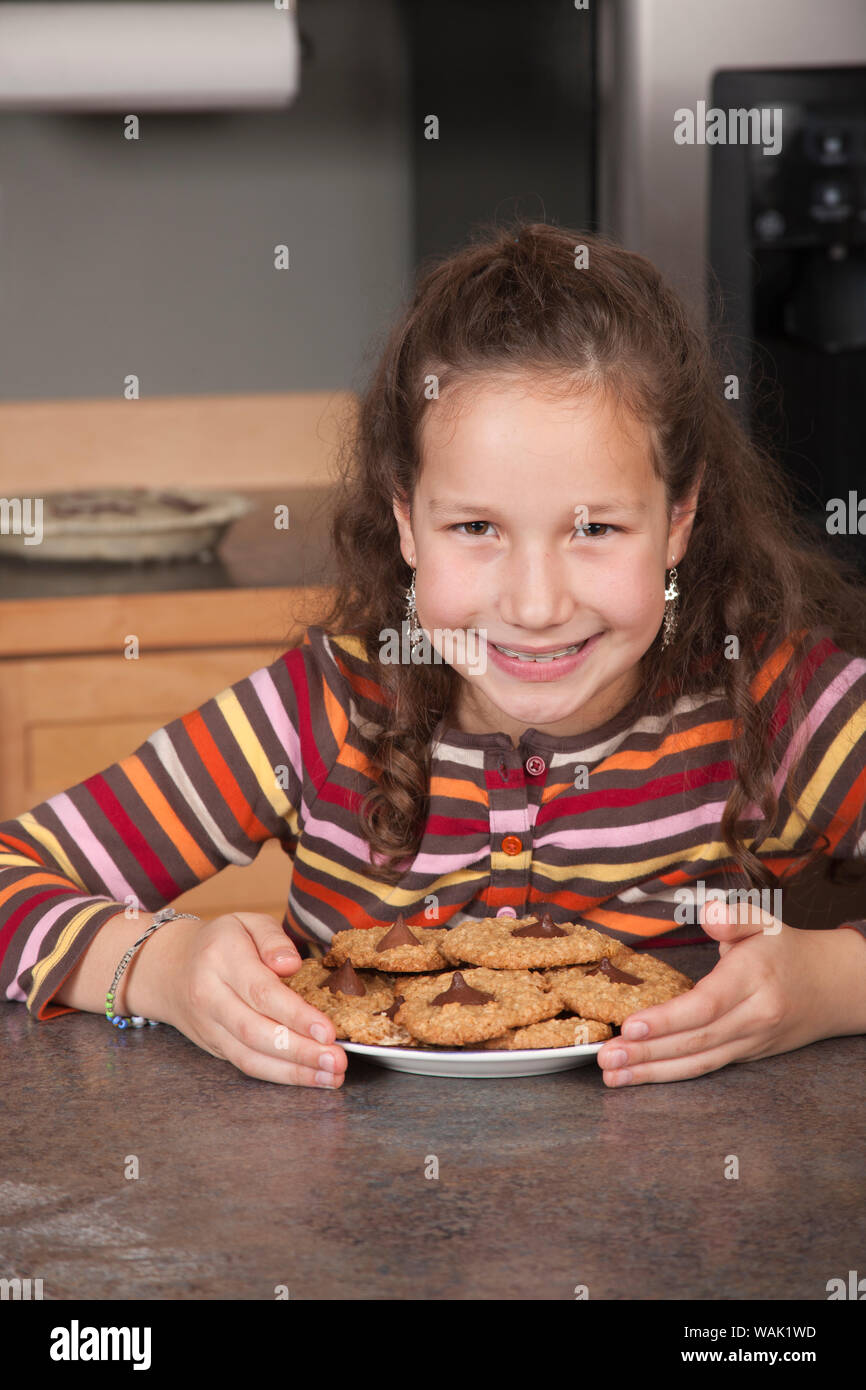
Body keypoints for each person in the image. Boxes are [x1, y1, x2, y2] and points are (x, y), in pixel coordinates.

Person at [3, 222, 866, 1090]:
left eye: (596, 528)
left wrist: (828, 986)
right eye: (476, 528)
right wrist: (163, 968)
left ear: (678, 519)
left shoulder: (781, 701)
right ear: (407, 520)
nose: (536, 606)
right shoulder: (322, 710)